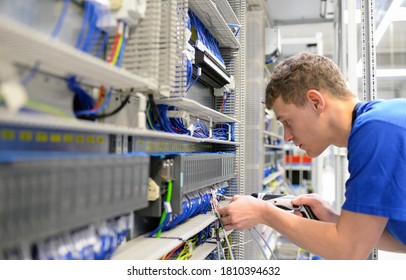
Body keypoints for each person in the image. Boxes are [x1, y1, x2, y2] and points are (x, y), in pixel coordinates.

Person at [217, 51, 406, 260]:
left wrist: (263, 213)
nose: (287, 136)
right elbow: (399, 241)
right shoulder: (382, 123)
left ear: (316, 102)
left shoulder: (376, 131)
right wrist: (332, 219)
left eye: (287, 122)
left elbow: (349, 252)